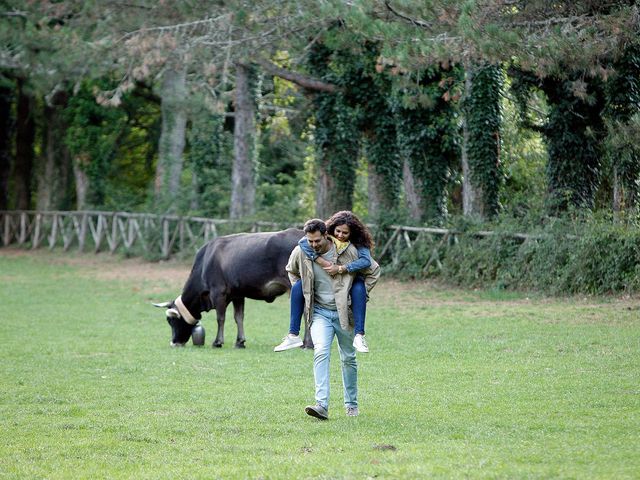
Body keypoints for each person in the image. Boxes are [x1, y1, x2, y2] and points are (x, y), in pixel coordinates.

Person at [286, 218, 380, 419]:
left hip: (344, 313)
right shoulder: (302, 251)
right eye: (310, 241)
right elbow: (291, 272)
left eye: (317, 241)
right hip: (320, 313)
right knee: (320, 351)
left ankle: (351, 405)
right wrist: (305, 293)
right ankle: (321, 405)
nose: (313, 245)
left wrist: (361, 296)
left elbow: (373, 270)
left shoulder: (349, 252)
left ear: (324, 235)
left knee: (348, 358)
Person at [274, 211, 376, 353]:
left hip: (351, 278)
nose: (340, 235)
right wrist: (319, 260)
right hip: (324, 301)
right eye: (338, 231)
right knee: (299, 286)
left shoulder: (357, 245)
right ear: (330, 231)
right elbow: (303, 242)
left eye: (345, 233)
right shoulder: (322, 239)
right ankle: (293, 335)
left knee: (358, 287)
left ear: (352, 232)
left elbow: (368, 264)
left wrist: (342, 269)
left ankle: (360, 335)